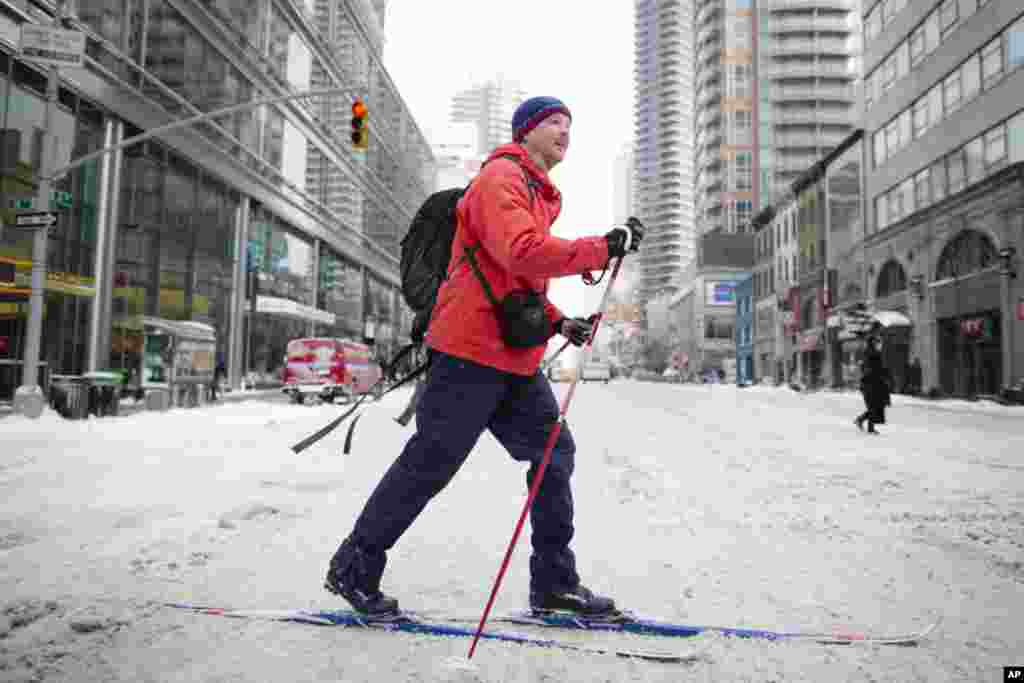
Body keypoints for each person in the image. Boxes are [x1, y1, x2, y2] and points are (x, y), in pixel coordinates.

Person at [324, 96, 645, 618]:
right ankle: (353, 567)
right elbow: (522, 251)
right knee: (429, 465)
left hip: (513, 362)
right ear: (526, 132)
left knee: (553, 455)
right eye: (554, 122)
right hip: (468, 354)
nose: (565, 131)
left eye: (570, 122)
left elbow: (516, 280)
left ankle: (555, 585)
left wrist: (559, 320)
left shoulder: (538, 193)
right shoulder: (501, 178)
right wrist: (601, 248)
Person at [855, 335, 892, 434]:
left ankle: (861, 420)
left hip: (871, 383)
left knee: (875, 406)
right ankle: (868, 426)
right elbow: (876, 369)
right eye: (877, 342)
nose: (879, 344)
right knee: (874, 406)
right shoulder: (873, 354)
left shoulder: (869, 353)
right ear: (873, 343)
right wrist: (884, 376)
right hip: (872, 383)